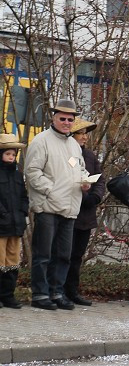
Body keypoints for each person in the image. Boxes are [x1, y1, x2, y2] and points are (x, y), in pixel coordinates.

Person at [23, 99, 87, 310]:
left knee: (63, 255)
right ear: (53, 117)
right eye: (63, 118)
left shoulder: (74, 145)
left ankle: (56, 292)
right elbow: (32, 172)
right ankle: (40, 295)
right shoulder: (41, 141)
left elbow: (80, 169)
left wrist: (86, 180)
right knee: (43, 255)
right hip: (48, 207)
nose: (67, 122)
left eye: (70, 119)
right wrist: (51, 190)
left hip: (69, 208)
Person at [64, 118, 105, 306]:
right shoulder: (66, 155)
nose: (85, 137)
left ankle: (72, 291)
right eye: (81, 133)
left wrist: (94, 197)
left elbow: (100, 180)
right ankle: (59, 290)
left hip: (86, 214)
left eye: (86, 134)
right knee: (64, 254)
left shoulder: (90, 156)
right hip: (68, 211)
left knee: (77, 256)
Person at [0, 133, 29, 308]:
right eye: (7, 154)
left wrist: (23, 211)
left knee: (12, 262)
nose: (11, 157)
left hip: (16, 225)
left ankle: (8, 295)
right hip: (1, 225)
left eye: (13, 154)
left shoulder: (18, 175)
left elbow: (23, 197)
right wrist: (3, 214)